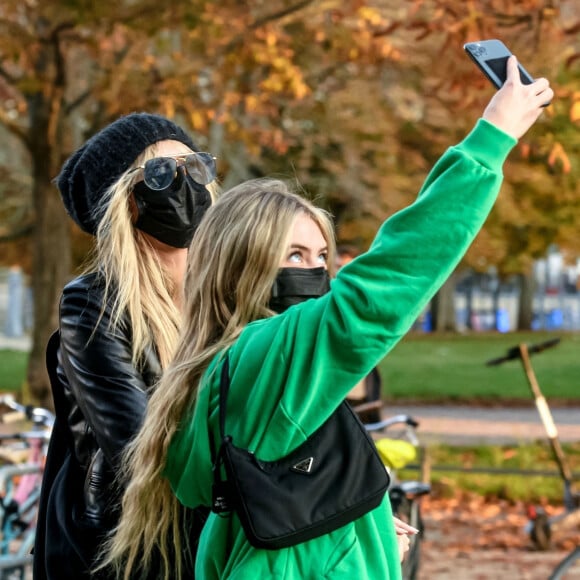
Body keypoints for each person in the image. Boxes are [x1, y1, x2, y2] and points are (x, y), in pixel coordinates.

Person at [102, 57, 552, 579]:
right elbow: (387, 281)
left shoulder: (220, 370)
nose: (314, 272)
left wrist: (361, 529)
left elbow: (275, 517)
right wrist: (491, 139)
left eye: (321, 258)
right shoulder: (269, 353)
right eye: (294, 256)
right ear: (242, 265)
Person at [33, 113, 219, 579]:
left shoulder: (226, 296)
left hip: (213, 540)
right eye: (162, 174)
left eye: (193, 167)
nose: (186, 185)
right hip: (130, 553)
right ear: (125, 201)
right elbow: (145, 450)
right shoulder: (92, 307)